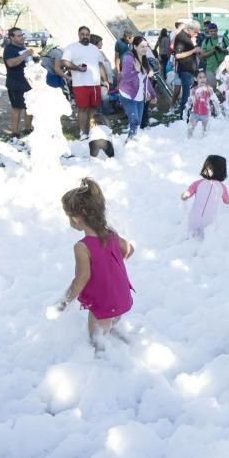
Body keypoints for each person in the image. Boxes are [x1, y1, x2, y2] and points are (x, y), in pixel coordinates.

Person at [47, 178, 134, 352]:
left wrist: (64, 302)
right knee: (112, 320)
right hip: (122, 296)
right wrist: (111, 266)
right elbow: (129, 250)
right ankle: (121, 338)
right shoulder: (111, 235)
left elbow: (82, 278)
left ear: (76, 219)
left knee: (96, 339)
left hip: (103, 302)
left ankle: (103, 360)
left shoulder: (82, 247)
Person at [60, 26, 107, 140]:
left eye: (87, 34)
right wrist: (77, 68)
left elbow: (100, 65)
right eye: (83, 34)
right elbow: (64, 62)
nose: (85, 36)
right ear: (79, 34)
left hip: (95, 84)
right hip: (80, 84)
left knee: (93, 108)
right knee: (82, 109)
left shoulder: (94, 49)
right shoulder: (71, 48)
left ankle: (92, 130)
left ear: (89, 36)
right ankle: (82, 132)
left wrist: (105, 80)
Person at [181, 155, 229, 239]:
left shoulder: (198, 183)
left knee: (191, 238)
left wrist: (185, 195)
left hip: (194, 218)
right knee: (206, 239)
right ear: (223, 171)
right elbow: (227, 201)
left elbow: (188, 193)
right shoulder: (222, 187)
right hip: (209, 221)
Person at [118, 36, 157, 141]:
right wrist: (137, 70)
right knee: (134, 121)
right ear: (135, 46)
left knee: (138, 122)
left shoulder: (144, 59)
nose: (145, 49)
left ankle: (133, 139)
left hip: (140, 96)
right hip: (128, 95)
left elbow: (146, 80)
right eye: (142, 46)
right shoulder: (128, 58)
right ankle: (129, 142)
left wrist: (153, 94)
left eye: (146, 46)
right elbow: (125, 77)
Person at [2, 27, 36, 136]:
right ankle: (15, 132)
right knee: (17, 108)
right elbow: (11, 63)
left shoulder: (22, 47)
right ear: (12, 37)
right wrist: (24, 55)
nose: (22, 37)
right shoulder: (9, 49)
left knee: (29, 107)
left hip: (27, 82)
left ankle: (28, 129)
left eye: (22, 35)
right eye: (19, 36)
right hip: (15, 83)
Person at [172, 21, 201, 116]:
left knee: (189, 94)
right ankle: (184, 114)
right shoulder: (181, 37)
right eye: (195, 32)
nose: (196, 34)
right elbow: (178, 55)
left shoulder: (187, 37)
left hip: (189, 70)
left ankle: (187, 113)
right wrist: (193, 50)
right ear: (190, 29)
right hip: (185, 70)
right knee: (186, 94)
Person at [185, 70, 221, 139]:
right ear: (196, 79)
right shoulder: (193, 90)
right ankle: (190, 145)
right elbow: (189, 101)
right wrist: (186, 111)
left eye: (204, 77)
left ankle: (204, 145)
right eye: (200, 77)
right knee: (189, 131)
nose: (202, 79)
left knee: (205, 133)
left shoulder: (209, 89)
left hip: (205, 114)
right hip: (195, 114)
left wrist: (218, 111)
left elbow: (215, 101)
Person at [199, 23, 226, 87]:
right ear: (208, 31)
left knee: (224, 88)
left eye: (214, 31)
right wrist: (212, 51)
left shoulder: (223, 39)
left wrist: (223, 50)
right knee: (211, 88)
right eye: (211, 31)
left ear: (217, 30)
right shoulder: (206, 41)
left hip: (222, 68)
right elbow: (202, 55)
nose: (213, 33)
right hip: (210, 69)